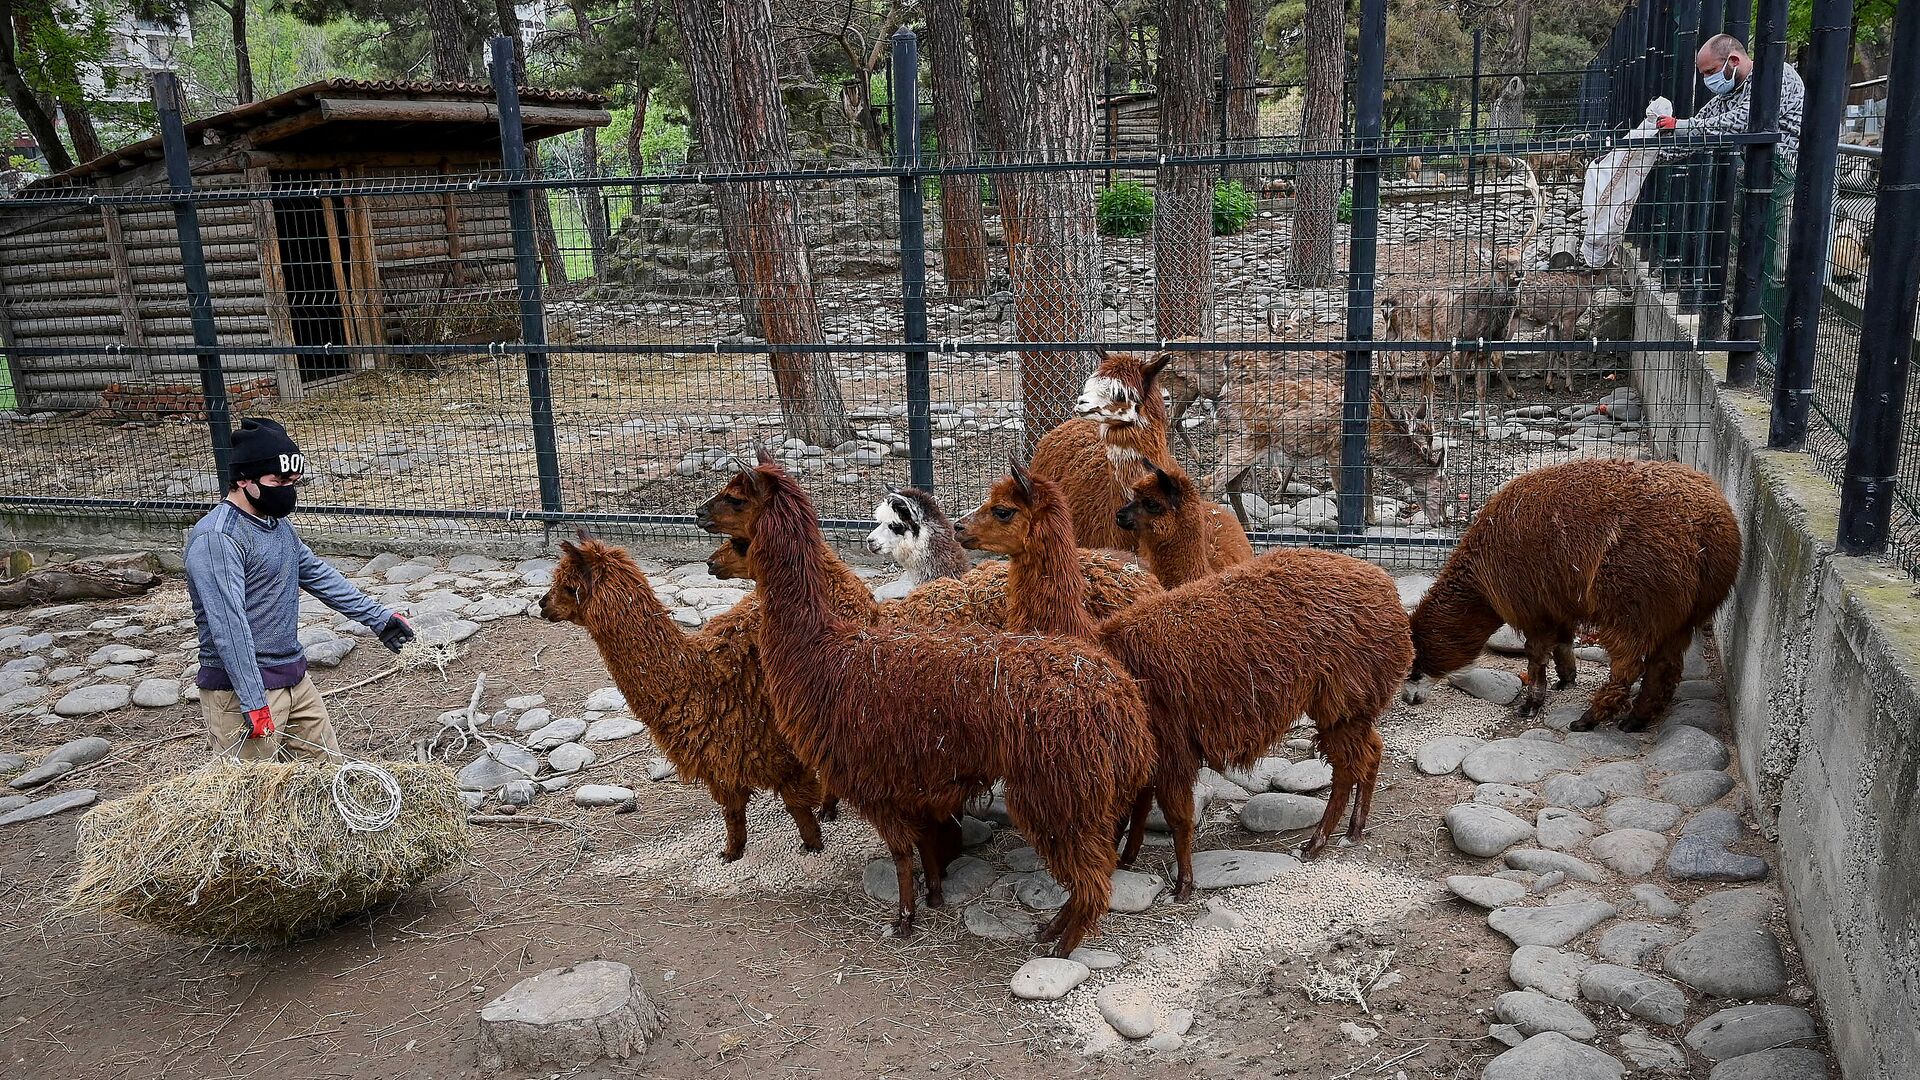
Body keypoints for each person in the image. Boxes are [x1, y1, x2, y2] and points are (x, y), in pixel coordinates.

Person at [185, 418, 414, 760]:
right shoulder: (218, 538)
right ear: (244, 479)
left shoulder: (276, 524)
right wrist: (252, 700)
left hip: (293, 678)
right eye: (279, 480)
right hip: (241, 691)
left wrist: (378, 617)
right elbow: (228, 626)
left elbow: (318, 575)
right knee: (255, 794)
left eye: (294, 481)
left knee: (325, 774)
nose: (288, 490)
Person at [1656, 33, 1805, 363]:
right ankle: (1759, 342)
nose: (1708, 80)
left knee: (1780, 266)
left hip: (1791, 182)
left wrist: (1679, 125)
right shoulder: (1731, 90)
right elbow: (1704, 125)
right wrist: (1653, 153)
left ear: (1732, 61)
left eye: (1710, 72)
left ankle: (1783, 352)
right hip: (1759, 183)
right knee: (1755, 261)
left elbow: (1738, 123)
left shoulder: (1774, 77)